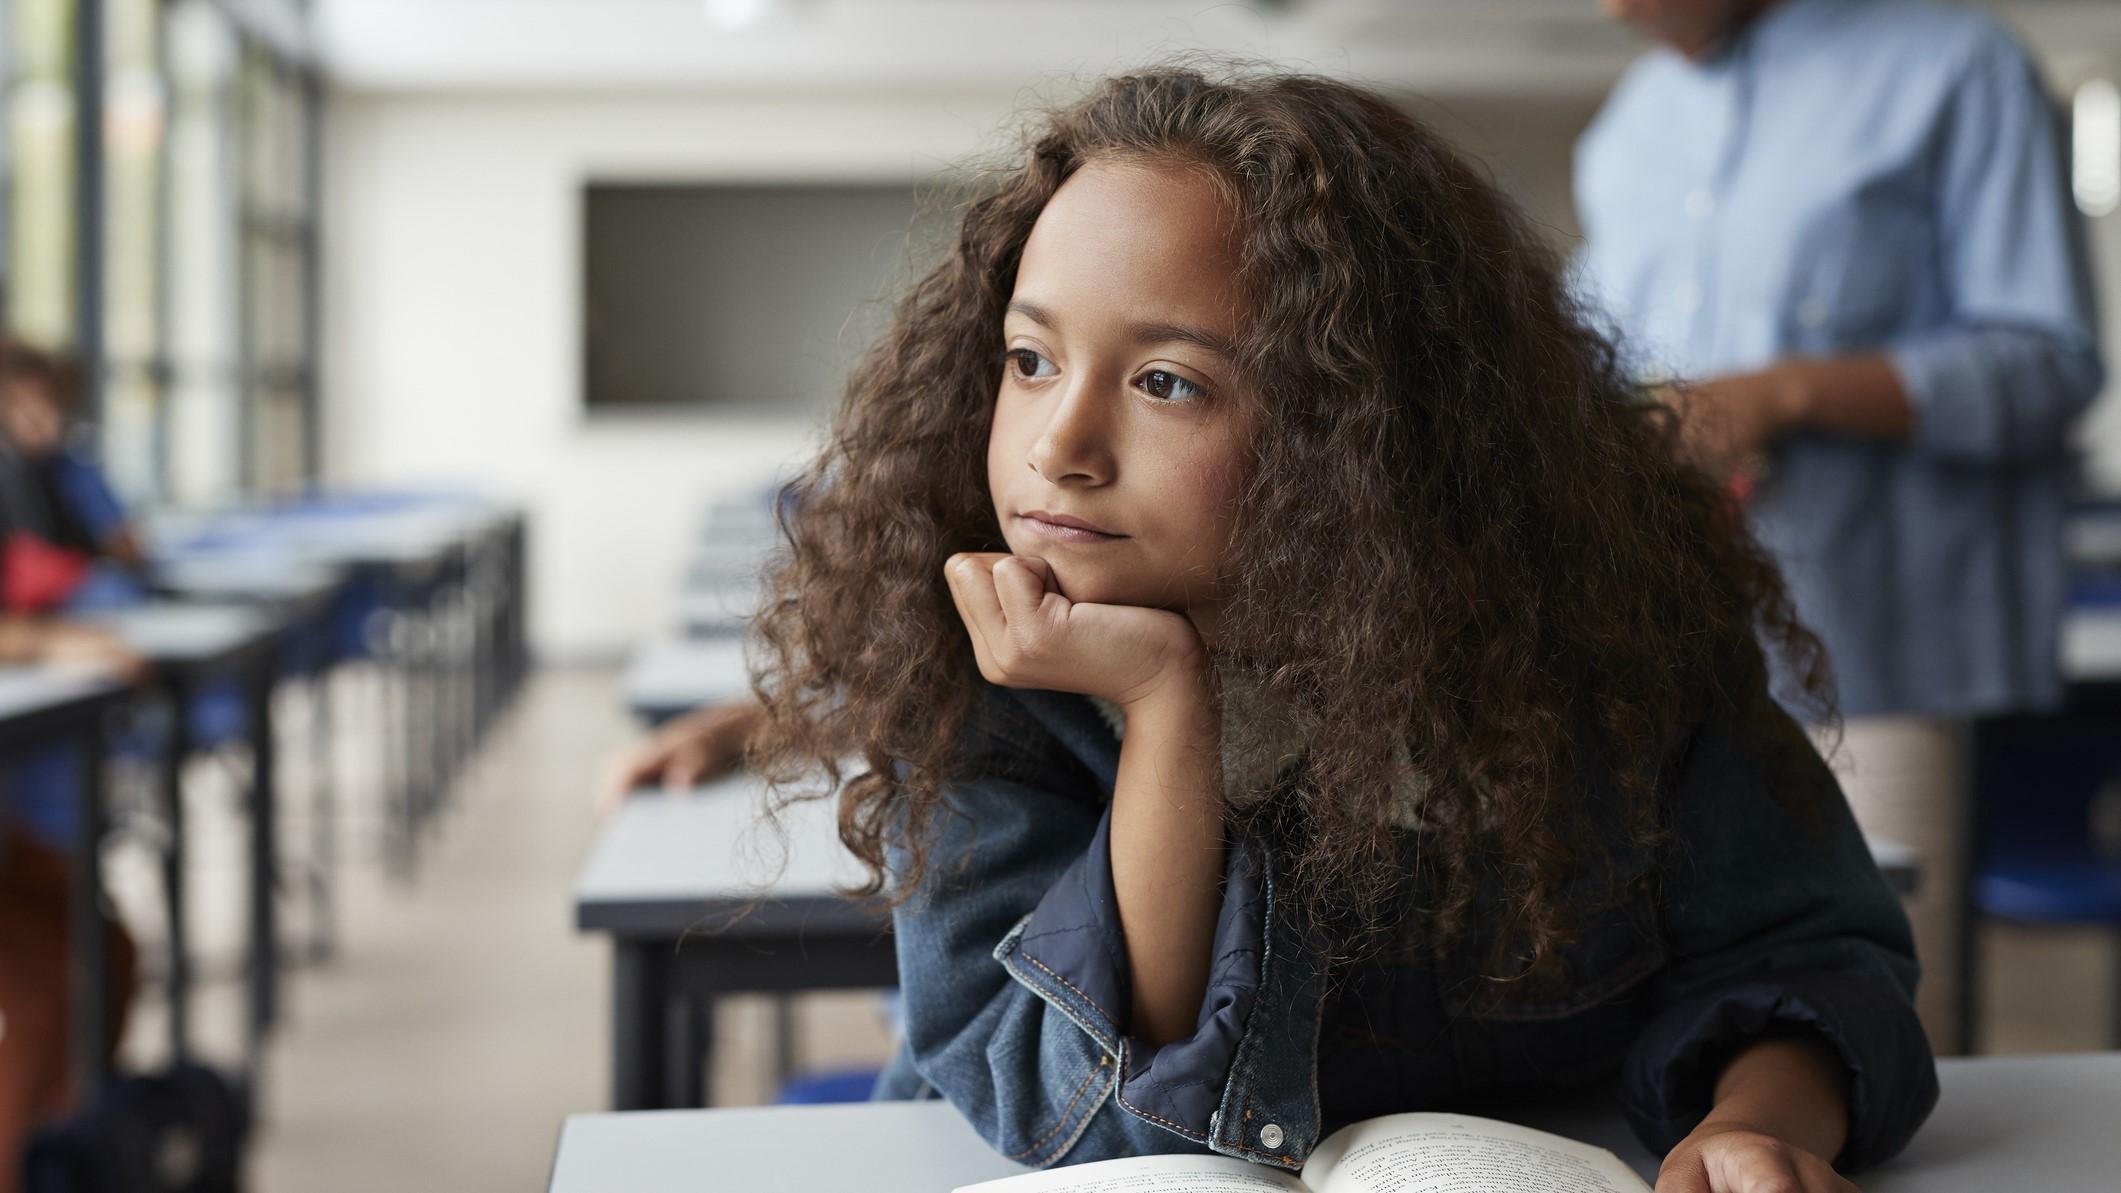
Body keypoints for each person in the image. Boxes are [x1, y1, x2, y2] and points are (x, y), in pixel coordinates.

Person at [744, 65, 1936, 1192]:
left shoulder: (1611, 651)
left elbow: (1811, 959)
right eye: (1030, 358)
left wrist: (1756, 1123)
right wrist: (1168, 711)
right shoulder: (983, 686)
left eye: (1167, 381)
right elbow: (1087, 1116)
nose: (1059, 444)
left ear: (1365, 433)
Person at [1575, 0, 2105, 1052]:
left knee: (1883, 1033)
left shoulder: (1957, 69)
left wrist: (1786, 394)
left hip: (1878, 666)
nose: (1605, 6)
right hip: (1673, 677)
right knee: (1715, 1032)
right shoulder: (1629, 127)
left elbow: (2047, 364)